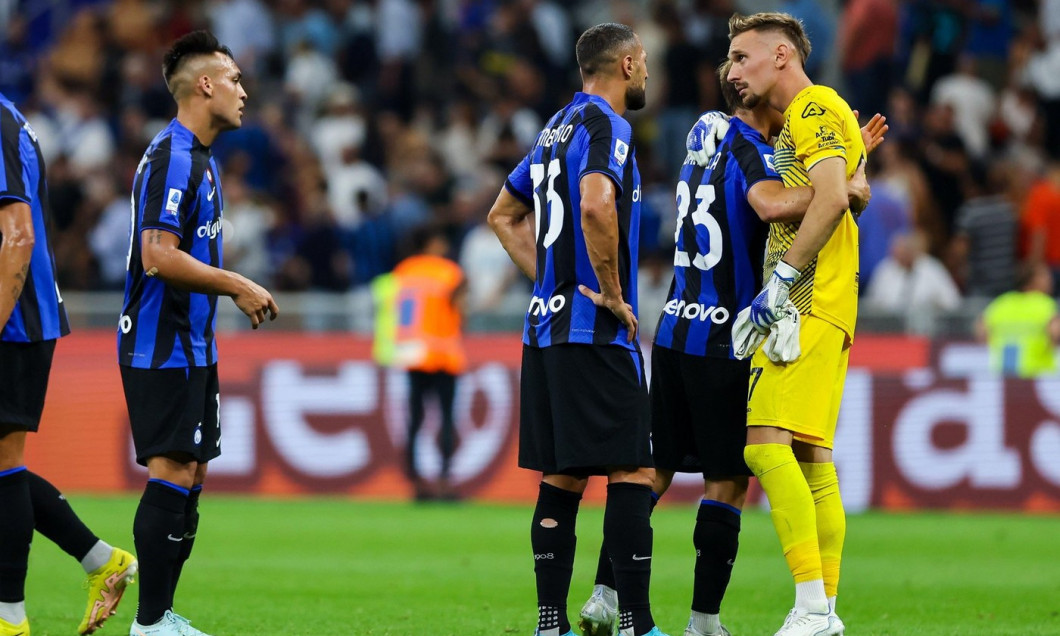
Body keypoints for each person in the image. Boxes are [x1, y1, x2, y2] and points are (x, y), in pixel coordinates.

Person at [579, 62, 883, 636]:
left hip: (674, 329)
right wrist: (842, 178)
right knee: (727, 483)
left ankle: (603, 593)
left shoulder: (703, 133)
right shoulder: (753, 148)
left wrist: (843, 161)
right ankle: (704, 621)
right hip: (727, 335)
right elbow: (774, 204)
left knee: (651, 473)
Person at [487, 22, 667, 636]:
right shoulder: (605, 126)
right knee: (632, 471)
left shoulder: (554, 128)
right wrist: (611, 294)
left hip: (544, 332)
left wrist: (550, 283)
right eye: (642, 63)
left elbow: (502, 215)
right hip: (594, 330)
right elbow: (595, 203)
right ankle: (638, 625)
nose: (645, 73)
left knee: (562, 477)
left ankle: (549, 624)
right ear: (626, 64)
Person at [119, 31, 278, 636]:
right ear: (204, 85)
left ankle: (161, 616)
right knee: (173, 470)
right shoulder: (174, 157)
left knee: (193, 474)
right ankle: (151, 622)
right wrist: (236, 283)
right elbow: (158, 255)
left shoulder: (201, 159)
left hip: (191, 345)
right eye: (234, 79)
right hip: (160, 343)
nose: (243, 91)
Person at [725, 11, 867, 636]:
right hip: (830, 302)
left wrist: (782, 281)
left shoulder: (810, 108)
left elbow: (833, 197)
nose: (732, 72)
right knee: (812, 456)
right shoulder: (814, 116)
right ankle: (825, 611)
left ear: (782, 55)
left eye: (741, 57)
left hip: (805, 301)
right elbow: (840, 190)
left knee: (763, 444)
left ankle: (810, 605)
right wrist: (852, 180)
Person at [0, 93, 138, 636]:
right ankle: (100, 560)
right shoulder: (12, 118)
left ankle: (10, 619)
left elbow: (18, 234)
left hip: (14, 321)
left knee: (5, 464)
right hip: (20, 314)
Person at [391, 225, 467, 501]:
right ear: (432, 242)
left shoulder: (404, 271)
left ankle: (416, 483)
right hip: (445, 354)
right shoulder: (449, 272)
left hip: (413, 354)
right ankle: (445, 481)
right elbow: (461, 310)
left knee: (415, 420)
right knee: (446, 419)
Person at [977, 264, 1060, 378]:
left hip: (1004, 375)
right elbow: (1055, 333)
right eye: (1044, 276)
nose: (1050, 280)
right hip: (1037, 374)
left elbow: (981, 330)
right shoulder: (1044, 304)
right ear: (1031, 280)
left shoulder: (1002, 302)